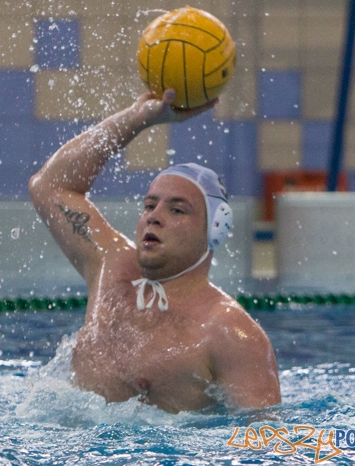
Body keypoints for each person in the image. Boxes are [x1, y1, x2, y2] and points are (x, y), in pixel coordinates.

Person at [28, 88, 281, 413]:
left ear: (214, 229)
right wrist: (136, 119)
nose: (154, 216)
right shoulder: (111, 266)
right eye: (149, 205)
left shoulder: (231, 334)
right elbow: (49, 185)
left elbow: (262, 441)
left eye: (177, 210)